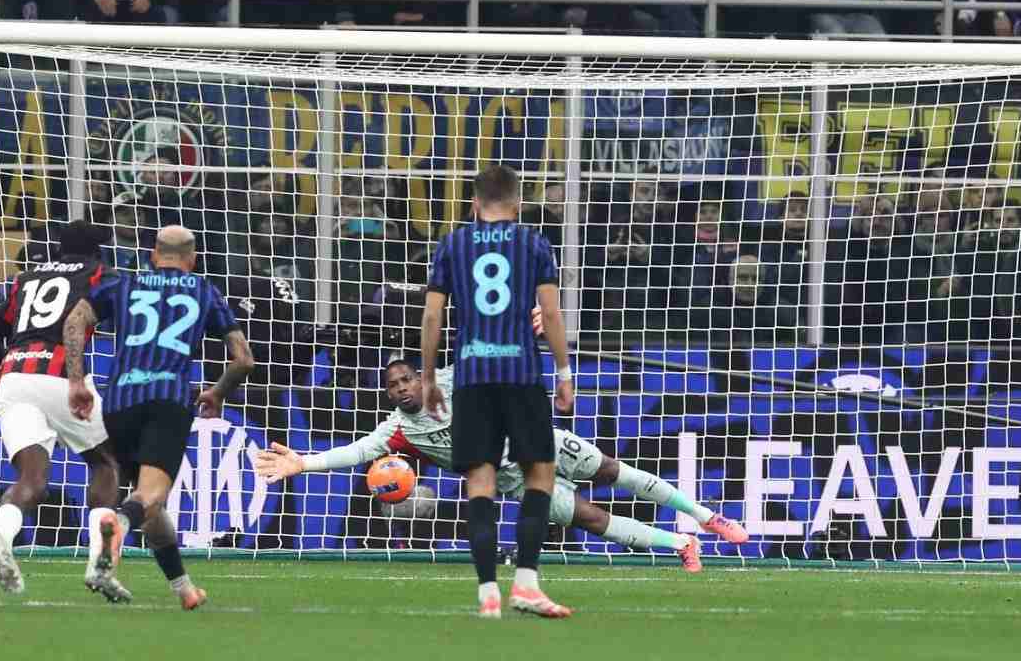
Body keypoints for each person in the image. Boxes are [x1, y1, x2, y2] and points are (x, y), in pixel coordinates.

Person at [255, 359, 749, 564]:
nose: (402, 387)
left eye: (406, 378)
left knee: (618, 474)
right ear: (388, 394)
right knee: (592, 519)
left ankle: (709, 517)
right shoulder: (398, 429)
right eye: (393, 385)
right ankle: (681, 544)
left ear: (418, 378)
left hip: (541, 441)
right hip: (517, 481)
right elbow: (359, 451)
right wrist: (305, 462)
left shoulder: (451, 379)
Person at [64, 225, 255, 611]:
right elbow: (243, 358)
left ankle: (184, 588)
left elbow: (74, 321)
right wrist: (217, 392)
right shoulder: (204, 290)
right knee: (150, 497)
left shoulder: (123, 283)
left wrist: (76, 380)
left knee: (150, 506)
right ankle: (118, 525)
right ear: (193, 259)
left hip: (118, 400)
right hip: (168, 399)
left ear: (154, 254)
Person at [421, 164, 574, 619]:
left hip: (471, 377)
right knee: (540, 475)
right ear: (518, 203)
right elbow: (549, 313)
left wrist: (429, 378)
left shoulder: (452, 244)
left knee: (480, 481)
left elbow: (432, 317)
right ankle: (526, 582)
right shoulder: (534, 243)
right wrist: (564, 372)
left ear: (473, 203)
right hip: (522, 375)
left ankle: (487, 589)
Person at [0, 221, 124, 600]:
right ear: (95, 252)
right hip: (63, 378)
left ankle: (1, 533)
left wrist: (12, 360)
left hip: (14, 379)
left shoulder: (24, 279)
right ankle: (98, 561)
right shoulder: (101, 274)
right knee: (107, 464)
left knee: (32, 480)